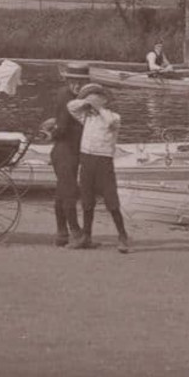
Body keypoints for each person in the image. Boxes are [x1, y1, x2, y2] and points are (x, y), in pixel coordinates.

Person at [66, 83, 131, 253]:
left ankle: (123, 236)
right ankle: (86, 236)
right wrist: (86, 102)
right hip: (87, 159)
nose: (93, 99)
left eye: (97, 96)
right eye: (91, 96)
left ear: (105, 100)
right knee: (87, 200)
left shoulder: (114, 116)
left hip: (104, 161)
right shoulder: (86, 116)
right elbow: (71, 107)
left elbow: (109, 121)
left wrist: (98, 106)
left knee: (111, 200)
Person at [44, 69, 85, 247]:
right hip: (65, 151)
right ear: (68, 81)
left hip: (68, 150)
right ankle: (77, 234)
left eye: (81, 82)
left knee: (62, 193)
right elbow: (62, 127)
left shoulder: (74, 96)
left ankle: (62, 234)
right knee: (69, 192)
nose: (77, 85)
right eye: (74, 81)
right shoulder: (66, 97)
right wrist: (52, 133)